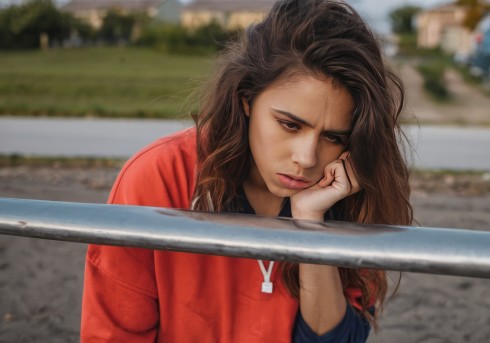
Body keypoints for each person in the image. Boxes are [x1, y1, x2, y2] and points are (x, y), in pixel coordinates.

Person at [80, 0, 413, 341]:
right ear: (246, 98)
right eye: (289, 125)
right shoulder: (158, 175)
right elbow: (113, 334)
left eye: (332, 137)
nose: (307, 158)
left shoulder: (353, 190)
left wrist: (312, 224)